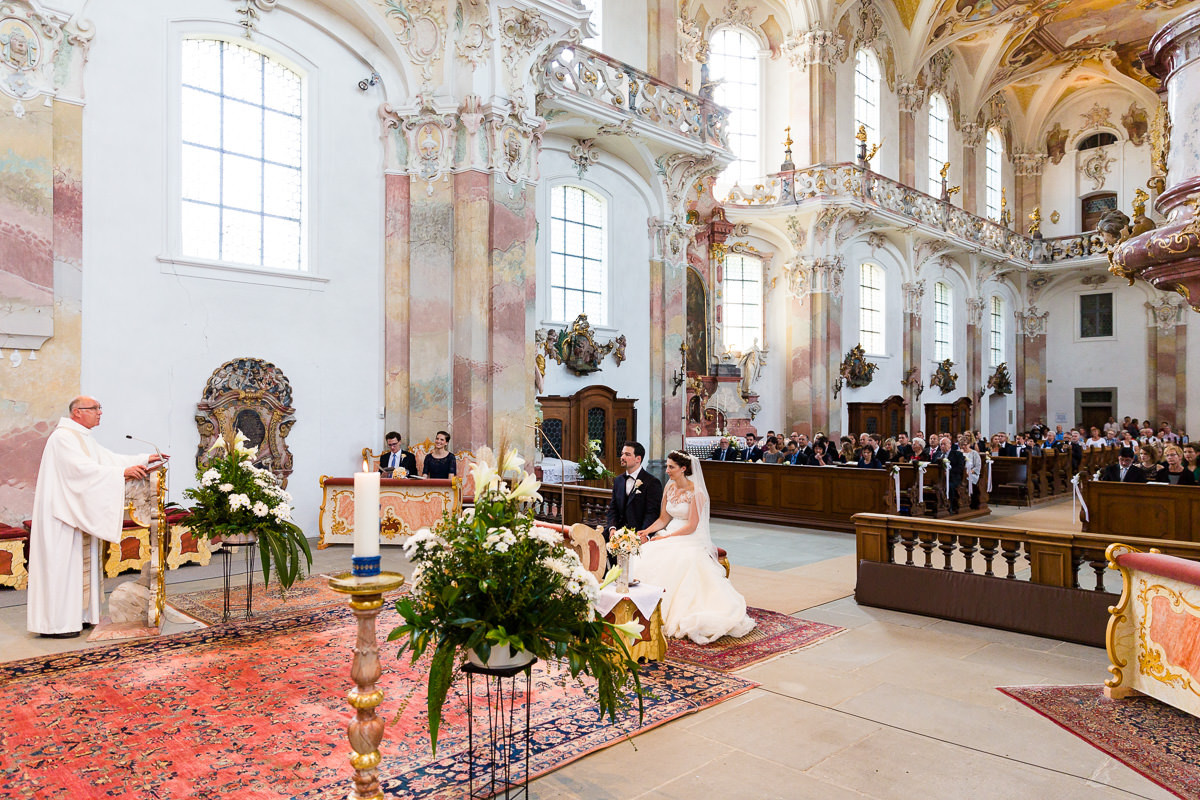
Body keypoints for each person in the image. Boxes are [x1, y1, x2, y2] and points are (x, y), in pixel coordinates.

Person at [28, 396, 167, 638]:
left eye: (99, 408)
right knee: (62, 567)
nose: (100, 412)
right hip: (62, 518)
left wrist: (144, 459)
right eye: (94, 408)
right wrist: (121, 473)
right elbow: (81, 471)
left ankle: (78, 618)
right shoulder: (63, 438)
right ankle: (57, 625)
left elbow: (107, 460)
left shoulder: (81, 437)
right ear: (77, 412)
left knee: (76, 567)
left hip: (73, 514)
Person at [632, 451, 755, 644]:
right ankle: (643, 609)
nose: (667, 470)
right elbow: (664, 519)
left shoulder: (697, 492)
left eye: (671, 467)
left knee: (678, 559)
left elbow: (692, 526)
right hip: (669, 533)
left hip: (689, 537)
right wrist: (646, 532)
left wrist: (666, 538)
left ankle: (669, 613)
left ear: (683, 469)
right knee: (645, 553)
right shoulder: (669, 487)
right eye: (667, 466)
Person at [606, 440, 664, 536]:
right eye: (622, 454)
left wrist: (642, 534)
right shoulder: (618, 480)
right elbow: (613, 509)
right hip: (617, 532)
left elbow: (652, 514)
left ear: (638, 459)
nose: (622, 457)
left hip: (638, 533)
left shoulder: (652, 482)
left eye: (627, 454)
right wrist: (612, 528)